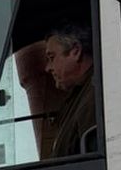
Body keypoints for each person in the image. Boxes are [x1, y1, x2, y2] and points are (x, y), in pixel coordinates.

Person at [38, 21, 97, 159]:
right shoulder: (80, 96)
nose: (48, 68)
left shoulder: (95, 96)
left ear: (75, 51)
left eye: (51, 58)